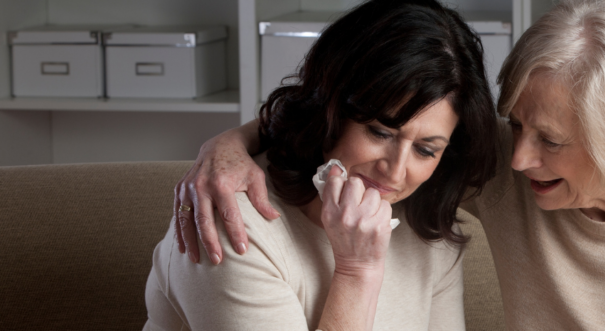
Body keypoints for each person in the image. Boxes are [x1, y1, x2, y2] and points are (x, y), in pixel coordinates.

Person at [173, 0, 605, 329]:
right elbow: (354, 115)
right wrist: (225, 147)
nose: (518, 157)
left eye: (550, 140)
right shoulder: (497, 165)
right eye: (516, 124)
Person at [143, 0, 499, 329]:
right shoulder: (233, 224)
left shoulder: (428, 227)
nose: (395, 172)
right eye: (379, 132)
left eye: (425, 150)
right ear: (331, 111)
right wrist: (358, 270)